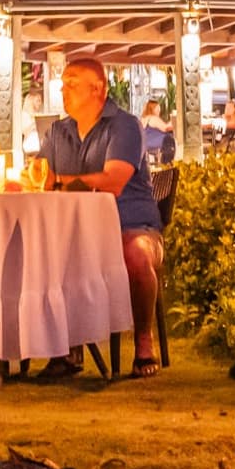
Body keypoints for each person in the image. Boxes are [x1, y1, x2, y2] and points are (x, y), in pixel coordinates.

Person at [42, 55, 166, 373]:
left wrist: (59, 182)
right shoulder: (58, 131)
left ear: (97, 88)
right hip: (74, 231)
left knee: (135, 255)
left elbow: (113, 182)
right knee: (39, 253)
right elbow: (40, 178)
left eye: (71, 84)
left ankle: (143, 343)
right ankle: (66, 347)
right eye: (62, 84)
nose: (63, 90)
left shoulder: (124, 126)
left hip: (131, 224)